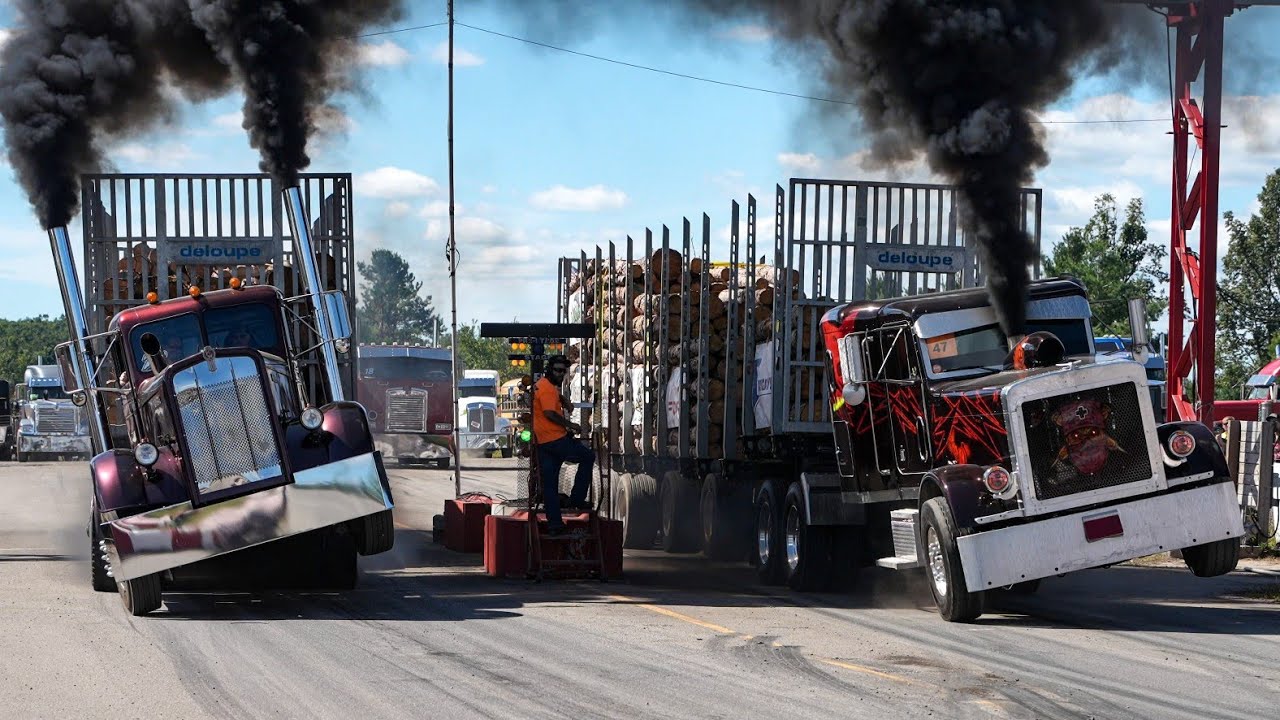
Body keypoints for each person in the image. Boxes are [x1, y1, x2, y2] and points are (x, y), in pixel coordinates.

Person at [532, 356, 594, 535]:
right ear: (549, 370)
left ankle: (555, 525)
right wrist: (571, 425)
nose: (560, 374)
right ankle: (576, 500)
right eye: (557, 370)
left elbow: (547, 399)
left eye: (563, 371)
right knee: (588, 456)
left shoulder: (543, 385)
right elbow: (549, 413)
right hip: (556, 441)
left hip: (543, 442)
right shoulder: (547, 389)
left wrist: (562, 398)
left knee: (550, 485)